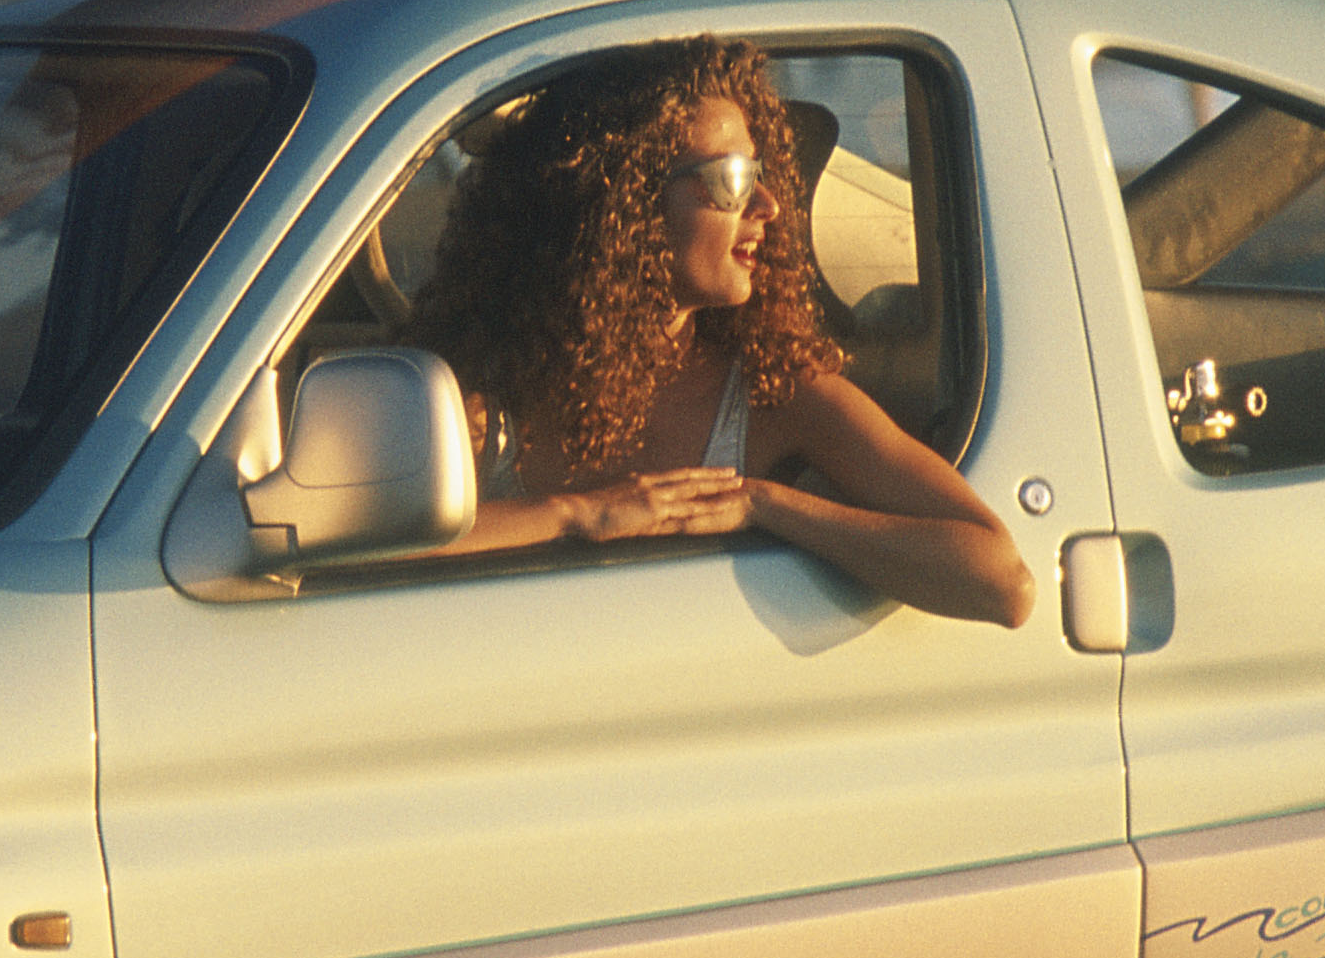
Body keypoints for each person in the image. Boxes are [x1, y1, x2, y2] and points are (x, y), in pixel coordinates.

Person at [402, 38, 1030, 625]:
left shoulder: (775, 395)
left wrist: (765, 506)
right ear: (624, 201)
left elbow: (1001, 580)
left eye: (761, 175)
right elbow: (342, 558)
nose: (768, 208)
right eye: (730, 181)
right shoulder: (482, 391)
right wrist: (577, 514)